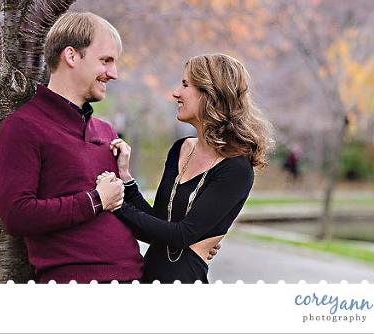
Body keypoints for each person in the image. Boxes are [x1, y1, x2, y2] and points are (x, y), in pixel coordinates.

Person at [0, 12, 142, 283]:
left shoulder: (105, 131)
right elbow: (16, 215)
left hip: (136, 279)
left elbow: (125, 214)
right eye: (105, 61)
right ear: (71, 56)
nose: (114, 74)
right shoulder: (24, 127)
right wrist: (95, 200)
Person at [100, 53, 272, 283]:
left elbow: (182, 235)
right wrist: (125, 180)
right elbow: (156, 225)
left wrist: (114, 203)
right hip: (147, 278)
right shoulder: (180, 149)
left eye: (185, 85)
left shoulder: (237, 169)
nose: (176, 93)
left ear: (210, 93)